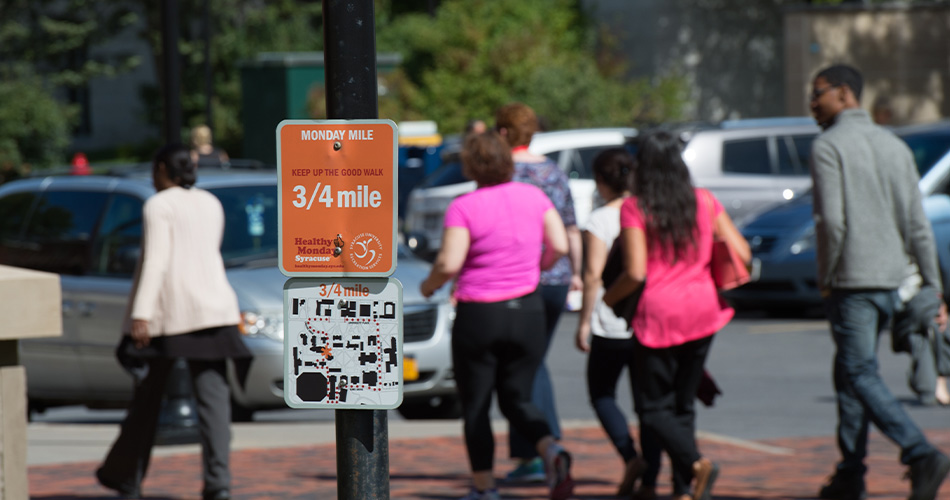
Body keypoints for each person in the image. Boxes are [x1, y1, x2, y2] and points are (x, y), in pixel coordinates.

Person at [807, 63, 950, 500]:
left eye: (819, 94)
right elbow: (917, 223)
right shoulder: (894, 146)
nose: (813, 103)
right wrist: (932, 282)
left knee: (859, 372)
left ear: (846, 94)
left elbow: (832, 221)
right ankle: (850, 473)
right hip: (891, 277)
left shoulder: (828, 146)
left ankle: (919, 451)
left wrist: (828, 277)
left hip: (852, 279)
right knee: (848, 372)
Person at [420, 131, 574, 500]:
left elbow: (450, 261)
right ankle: (550, 450)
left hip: (481, 313)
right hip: (527, 310)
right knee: (519, 398)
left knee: (476, 404)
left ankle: (485, 488)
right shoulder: (534, 196)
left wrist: (430, 286)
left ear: (471, 166)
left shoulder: (464, 205)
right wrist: (536, 268)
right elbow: (561, 245)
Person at [96, 144, 250, 500]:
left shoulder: (158, 205)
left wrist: (140, 315)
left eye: (155, 170)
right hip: (215, 308)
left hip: (173, 313)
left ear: (164, 169)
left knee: (147, 402)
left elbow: (156, 262)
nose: (152, 177)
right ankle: (218, 484)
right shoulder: (210, 202)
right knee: (214, 404)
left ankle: (127, 478)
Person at [603, 131, 749, 500]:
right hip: (703, 310)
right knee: (682, 405)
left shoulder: (636, 207)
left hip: (659, 314)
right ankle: (685, 488)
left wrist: (609, 298)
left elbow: (635, 272)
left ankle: (697, 465)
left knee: (652, 408)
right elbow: (742, 253)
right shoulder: (704, 200)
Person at [495, 102, 583, 482]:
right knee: (534, 359)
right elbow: (571, 228)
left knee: (524, 364)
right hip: (558, 276)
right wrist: (576, 274)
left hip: (523, 278)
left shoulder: (504, 173)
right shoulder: (553, 171)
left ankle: (539, 450)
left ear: (502, 134)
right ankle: (541, 448)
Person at [573, 147, 662, 498]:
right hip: (646, 319)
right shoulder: (649, 210)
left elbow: (593, 275)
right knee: (646, 402)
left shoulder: (600, 219)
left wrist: (584, 322)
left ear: (600, 182)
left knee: (601, 392)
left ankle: (630, 456)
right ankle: (652, 479)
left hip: (610, 321)